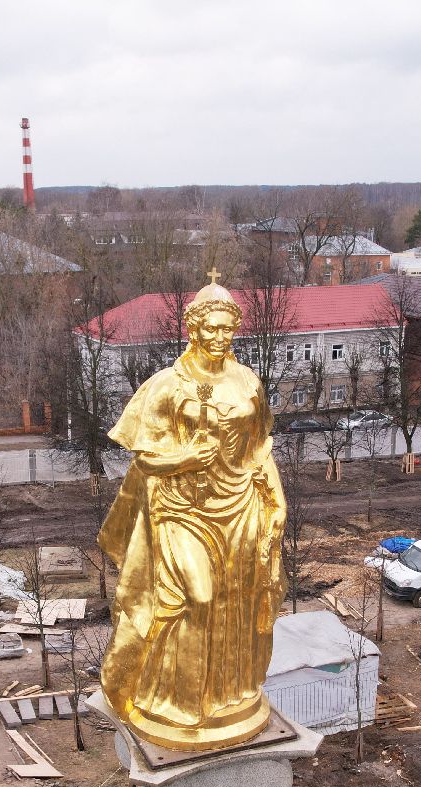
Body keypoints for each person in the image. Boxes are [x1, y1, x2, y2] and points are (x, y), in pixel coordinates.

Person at [97, 275, 287, 752]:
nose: (220, 338)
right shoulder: (165, 387)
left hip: (241, 506)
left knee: (238, 603)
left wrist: (276, 501)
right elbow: (143, 459)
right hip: (181, 510)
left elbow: (260, 449)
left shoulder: (248, 382)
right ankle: (162, 693)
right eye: (212, 329)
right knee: (198, 599)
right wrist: (184, 459)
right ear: (193, 328)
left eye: (228, 329)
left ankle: (225, 697)